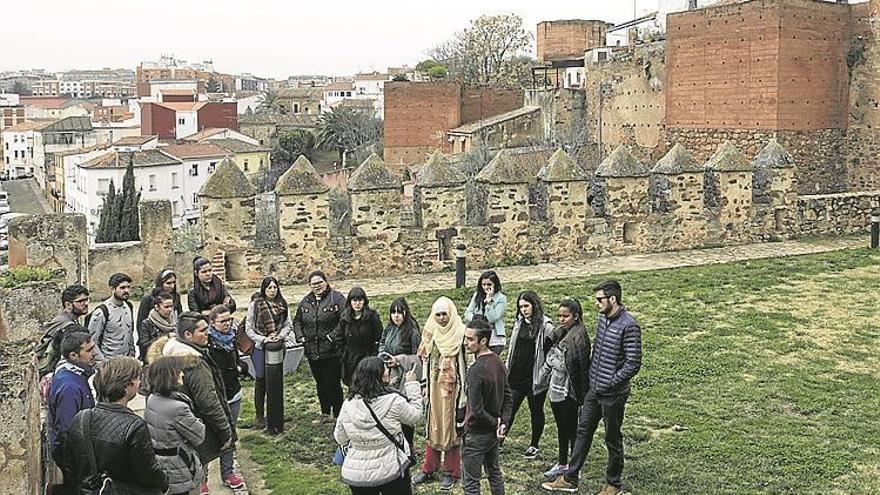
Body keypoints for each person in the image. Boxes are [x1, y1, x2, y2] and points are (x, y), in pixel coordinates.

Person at [543, 282, 642, 495]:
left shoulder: (629, 325)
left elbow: (633, 363)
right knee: (583, 432)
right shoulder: (602, 319)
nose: (596, 304)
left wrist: (611, 382)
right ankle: (570, 478)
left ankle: (613, 484)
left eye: (600, 299)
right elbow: (598, 348)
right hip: (594, 389)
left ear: (613, 299)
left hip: (613, 394)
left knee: (612, 438)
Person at [148, 312, 235, 494]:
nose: (207, 334)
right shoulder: (193, 362)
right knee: (195, 471)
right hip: (193, 426)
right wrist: (226, 432)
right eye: (202, 331)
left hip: (173, 436)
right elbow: (209, 401)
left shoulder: (169, 353)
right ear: (188, 335)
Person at [63, 356, 168, 495]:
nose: (140, 382)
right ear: (127, 386)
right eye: (137, 378)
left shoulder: (81, 418)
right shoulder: (134, 426)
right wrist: (164, 481)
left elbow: (69, 465)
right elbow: (148, 474)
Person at [334, 357, 423, 494]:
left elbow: (340, 437)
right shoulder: (394, 401)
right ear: (381, 376)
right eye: (385, 369)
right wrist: (412, 385)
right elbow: (415, 416)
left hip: (357, 473)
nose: (388, 370)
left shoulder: (348, 404)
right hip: (390, 468)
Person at [413, 297, 468, 492]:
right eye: (438, 314)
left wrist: (464, 394)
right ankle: (429, 467)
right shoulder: (431, 332)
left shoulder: (460, 333)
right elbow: (425, 360)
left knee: (450, 426)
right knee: (433, 425)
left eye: (445, 314)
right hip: (433, 388)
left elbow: (465, 365)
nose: (442, 318)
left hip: (453, 390)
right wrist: (424, 385)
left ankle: (451, 471)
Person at [537, 298, 590, 480]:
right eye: (559, 315)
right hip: (557, 388)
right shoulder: (562, 333)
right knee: (561, 428)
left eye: (565, 316)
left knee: (571, 429)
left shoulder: (578, 336)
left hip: (569, 391)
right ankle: (562, 462)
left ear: (576, 316)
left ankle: (574, 466)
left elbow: (571, 365)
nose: (561, 319)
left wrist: (553, 361)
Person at [461, 317, 512, 495]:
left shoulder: (475, 371)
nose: (466, 343)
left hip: (477, 434)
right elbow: (508, 396)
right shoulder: (497, 362)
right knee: (494, 473)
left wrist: (496, 423)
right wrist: (502, 422)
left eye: (470, 339)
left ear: (483, 341)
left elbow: (476, 409)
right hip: (492, 435)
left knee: (471, 483)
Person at [145, 356, 206, 495]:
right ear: (170, 376)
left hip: (161, 463)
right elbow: (199, 435)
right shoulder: (178, 408)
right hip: (179, 467)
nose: (183, 374)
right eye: (179, 371)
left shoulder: (152, 399)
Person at [505, 290, 554, 460]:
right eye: (520, 307)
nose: (523, 310)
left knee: (536, 411)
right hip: (516, 376)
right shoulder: (519, 323)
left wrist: (543, 374)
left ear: (534, 305)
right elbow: (513, 347)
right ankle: (500, 439)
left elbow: (551, 353)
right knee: (509, 410)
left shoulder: (546, 326)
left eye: (526, 306)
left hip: (534, 378)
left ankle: (534, 444)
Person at [292, 270, 346, 424]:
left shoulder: (336, 298)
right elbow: (297, 321)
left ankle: (338, 414)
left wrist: (331, 337)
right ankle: (324, 412)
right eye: (313, 284)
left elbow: (344, 320)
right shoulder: (306, 302)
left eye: (319, 283)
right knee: (320, 383)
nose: (317, 286)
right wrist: (300, 336)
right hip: (312, 351)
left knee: (333, 383)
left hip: (331, 352)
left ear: (326, 282)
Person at [208, 304, 247, 489]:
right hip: (215, 397)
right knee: (208, 437)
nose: (227, 324)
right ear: (212, 323)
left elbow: (236, 360)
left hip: (233, 393)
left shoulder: (232, 338)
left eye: (229, 320)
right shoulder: (207, 344)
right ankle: (202, 481)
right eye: (222, 321)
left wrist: (240, 368)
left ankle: (228, 472)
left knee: (229, 434)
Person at [244, 276, 291, 429]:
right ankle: (259, 415)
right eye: (269, 287)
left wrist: (279, 336)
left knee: (275, 379)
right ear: (264, 289)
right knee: (261, 378)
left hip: (277, 345)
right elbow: (249, 328)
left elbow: (287, 325)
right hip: (260, 346)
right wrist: (264, 338)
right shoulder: (255, 305)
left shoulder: (282, 304)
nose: (272, 290)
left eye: (274, 287)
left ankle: (275, 413)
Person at [47, 332, 97, 475]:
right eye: (88, 350)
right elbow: (67, 430)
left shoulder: (73, 372)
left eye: (93, 348)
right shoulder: (69, 387)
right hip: (74, 457)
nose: (93, 353)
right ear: (73, 356)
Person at [36, 283, 90, 379]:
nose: (86, 304)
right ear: (68, 305)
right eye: (81, 301)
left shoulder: (69, 319)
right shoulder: (66, 325)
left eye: (86, 300)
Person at [337, 287, 383, 387]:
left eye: (360, 300)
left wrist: (374, 356)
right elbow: (339, 338)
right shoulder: (345, 318)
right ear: (350, 302)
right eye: (354, 300)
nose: (357, 304)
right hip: (350, 359)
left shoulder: (372, 317)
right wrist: (343, 355)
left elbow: (379, 337)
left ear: (364, 301)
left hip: (367, 357)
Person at [87, 272, 135, 362]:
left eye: (128, 287)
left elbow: (130, 334)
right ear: (112, 289)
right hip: (109, 362)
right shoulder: (101, 312)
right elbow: (92, 341)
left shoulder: (129, 306)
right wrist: (103, 363)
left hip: (127, 362)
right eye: (122, 288)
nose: (126, 291)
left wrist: (132, 356)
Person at [463, 270, 508, 355]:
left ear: (495, 284)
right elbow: (468, 313)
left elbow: (493, 318)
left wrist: (489, 303)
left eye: (489, 284)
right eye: (483, 284)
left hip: (495, 337)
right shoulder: (477, 295)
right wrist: (476, 320)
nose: (486, 287)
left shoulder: (501, 298)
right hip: (479, 334)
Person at [137, 268, 183, 336]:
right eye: (168, 283)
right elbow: (141, 323)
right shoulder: (148, 298)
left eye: (174, 282)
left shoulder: (176, 297)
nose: (172, 286)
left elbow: (180, 316)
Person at [137, 290, 178, 362]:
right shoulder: (147, 323)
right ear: (157, 307)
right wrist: (165, 337)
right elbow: (144, 346)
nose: (170, 309)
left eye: (171, 306)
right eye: (166, 307)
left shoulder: (174, 321)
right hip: (153, 362)